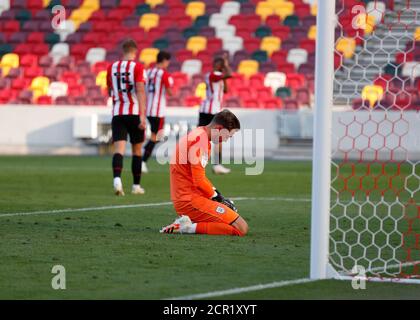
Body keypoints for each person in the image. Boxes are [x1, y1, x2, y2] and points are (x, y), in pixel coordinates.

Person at [160, 110, 248, 236]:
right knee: (241, 227)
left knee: (231, 221)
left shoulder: (199, 134)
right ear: (218, 128)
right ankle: (185, 227)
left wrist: (218, 196)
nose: (226, 140)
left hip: (188, 198)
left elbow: (198, 177)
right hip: (190, 201)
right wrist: (218, 198)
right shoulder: (200, 141)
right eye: (228, 136)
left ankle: (188, 225)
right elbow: (199, 180)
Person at [106, 39, 147, 196]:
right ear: (135, 51)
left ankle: (117, 180)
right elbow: (140, 90)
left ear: (123, 51)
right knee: (137, 150)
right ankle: (136, 186)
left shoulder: (111, 67)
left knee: (119, 150)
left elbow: (110, 90)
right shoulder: (137, 67)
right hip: (134, 113)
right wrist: (143, 116)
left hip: (118, 113)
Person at [198, 54, 232, 175]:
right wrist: (226, 65)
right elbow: (229, 74)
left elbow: (226, 90)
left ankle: (215, 164)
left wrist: (224, 74)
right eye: (221, 64)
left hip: (212, 110)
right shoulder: (212, 74)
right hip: (210, 110)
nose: (222, 66)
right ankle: (214, 164)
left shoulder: (218, 77)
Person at [142, 51, 173, 173]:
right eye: (168, 61)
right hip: (158, 110)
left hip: (148, 109)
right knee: (157, 136)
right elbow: (169, 92)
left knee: (156, 136)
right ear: (164, 60)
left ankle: (144, 152)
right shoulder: (164, 74)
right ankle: (142, 160)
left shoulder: (149, 72)